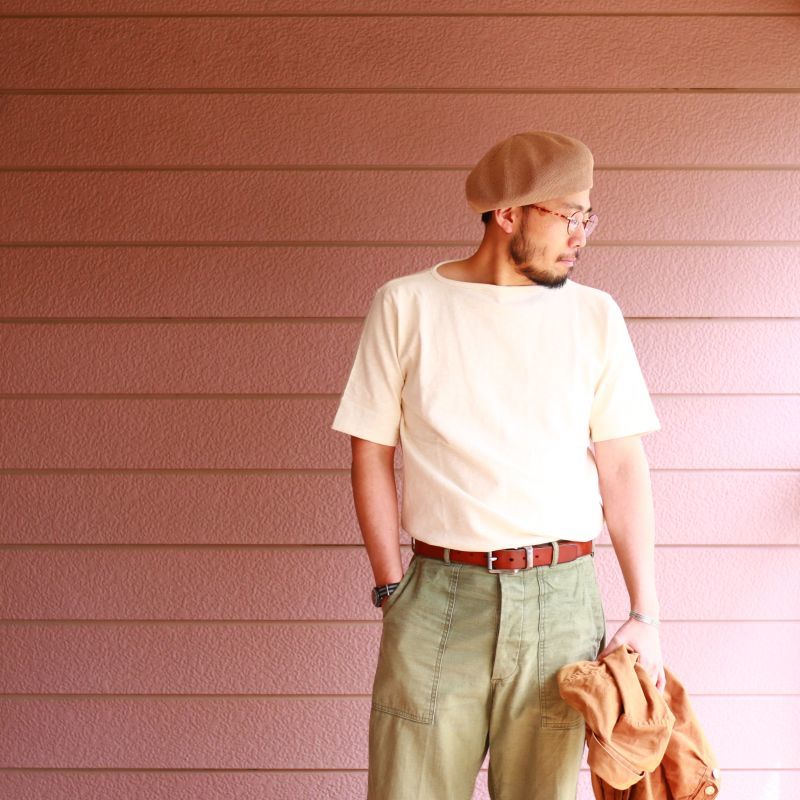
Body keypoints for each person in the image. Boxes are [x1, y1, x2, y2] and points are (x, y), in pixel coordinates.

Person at [330, 130, 665, 800]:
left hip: (562, 601)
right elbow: (370, 451)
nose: (580, 235)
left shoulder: (594, 315)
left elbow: (623, 465)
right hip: (437, 598)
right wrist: (391, 589)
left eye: (587, 217)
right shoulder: (406, 305)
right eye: (567, 216)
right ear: (509, 212)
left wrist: (646, 615)